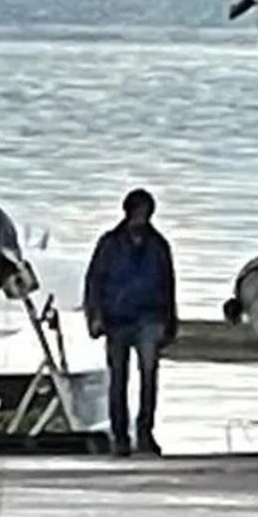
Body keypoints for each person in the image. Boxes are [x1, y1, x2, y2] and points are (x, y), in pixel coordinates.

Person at [83, 188, 178, 456]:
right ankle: (121, 435)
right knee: (118, 379)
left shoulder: (159, 245)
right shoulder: (109, 244)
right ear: (127, 213)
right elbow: (94, 283)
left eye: (146, 213)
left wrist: (170, 321)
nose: (141, 219)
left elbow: (168, 284)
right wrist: (94, 316)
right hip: (117, 320)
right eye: (138, 213)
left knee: (149, 376)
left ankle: (145, 431)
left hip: (150, 317)